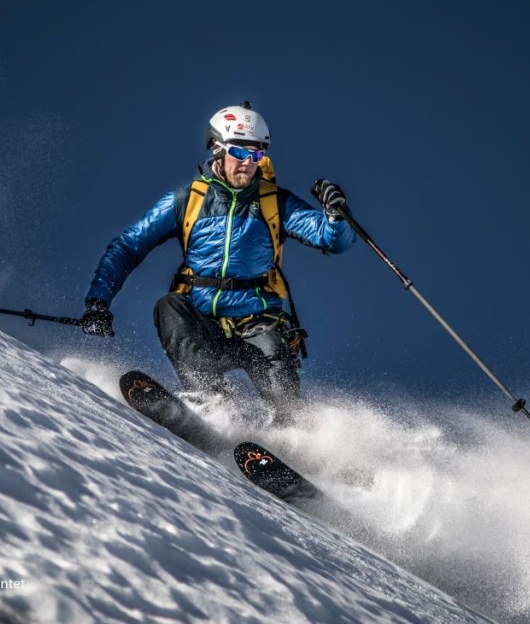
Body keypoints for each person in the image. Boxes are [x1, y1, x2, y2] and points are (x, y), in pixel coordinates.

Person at [81, 102, 355, 424]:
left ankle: (298, 440)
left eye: (256, 155)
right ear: (217, 150)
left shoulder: (274, 202)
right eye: (240, 153)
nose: (248, 164)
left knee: (286, 398)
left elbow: (332, 239)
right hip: (202, 323)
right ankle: (215, 404)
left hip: (258, 322)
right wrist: (98, 302)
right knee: (168, 306)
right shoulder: (187, 201)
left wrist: (336, 216)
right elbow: (128, 245)